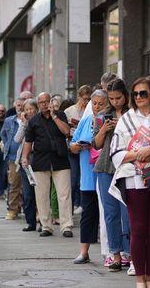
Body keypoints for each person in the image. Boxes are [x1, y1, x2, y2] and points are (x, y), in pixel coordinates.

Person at [111, 77, 150, 288]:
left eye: (143, 93)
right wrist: (137, 154)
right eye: (135, 94)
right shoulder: (126, 119)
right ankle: (141, 278)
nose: (139, 97)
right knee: (139, 228)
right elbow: (116, 152)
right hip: (133, 178)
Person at [21, 92, 74, 238]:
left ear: (51, 102)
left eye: (47, 101)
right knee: (42, 195)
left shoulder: (61, 115)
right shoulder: (34, 121)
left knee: (64, 194)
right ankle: (46, 226)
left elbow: (66, 131)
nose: (44, 104)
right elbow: (28, 141)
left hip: (60, 160)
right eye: (41, 102)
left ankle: (66, 226)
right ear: (38, 105)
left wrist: (54, 116)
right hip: (40, 161)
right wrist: (25, 157)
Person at [93, 79, 132, 272]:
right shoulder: (102, 116)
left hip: (128, 166)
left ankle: (130, 254)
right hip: (106, 167)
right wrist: (104, 129)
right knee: (111, 213)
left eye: (118, 98)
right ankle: (115, 254)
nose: (115, 102)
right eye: (112, 98)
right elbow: (96, 144)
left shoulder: (132, 115)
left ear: (125, 96)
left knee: (129, 213)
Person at [70, 90, 109, 264]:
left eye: (101, 103)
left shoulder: (109, 122)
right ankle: (84, 252)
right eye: (94, 103)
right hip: (87, 175)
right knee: (88, 214)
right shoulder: (85, 121)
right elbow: (72, 144)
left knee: (107, 214)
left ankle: (111, 253)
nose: (97, 106)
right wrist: (77, 146)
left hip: (105, 174)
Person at [65, 85, 92, 213]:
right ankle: (69, 209)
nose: (86, 102)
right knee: (73, 179)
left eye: (88, 99)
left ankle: (81, 204)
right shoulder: (69, 111)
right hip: (73, 147)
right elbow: (64, 130)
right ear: (79, 97)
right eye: (84, 99)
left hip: (86, 149)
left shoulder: (91, 110)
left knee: (84, 178)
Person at [16, 99, 39, 231]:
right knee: (27, 194)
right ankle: (30, 222)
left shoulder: (41, 121)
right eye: (26, 109)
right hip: (25, 162)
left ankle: (42, 221)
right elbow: (17, 139)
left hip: (39, 159)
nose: (29, 111)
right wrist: (24, 124)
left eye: (31, 109)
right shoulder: (23, 124)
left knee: (40, 193)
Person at [1, 104, 24, 220]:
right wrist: (8, 147)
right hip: (13, 157)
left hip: (28, 156)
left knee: (30, 185)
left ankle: (34, 210)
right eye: (18, 105)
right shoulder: (9, 120)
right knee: (14, 183)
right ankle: (13, 210)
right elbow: (3, 134)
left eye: (22, 105)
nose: (20, 107)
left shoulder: (30, 119)